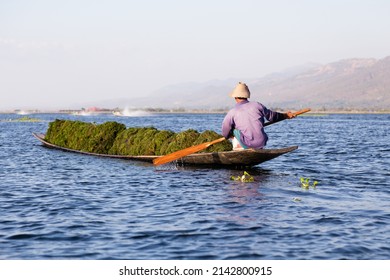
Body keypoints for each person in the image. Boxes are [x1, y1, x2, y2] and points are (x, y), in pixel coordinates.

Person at [222, 82, 295, 150]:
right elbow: (272, 116)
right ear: (246, 96)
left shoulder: (232, 112)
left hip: (247, 144)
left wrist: (228, 136)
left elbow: (225, 131)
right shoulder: (257, 105)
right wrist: (285, 115)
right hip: (262, 142)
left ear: (235, 97)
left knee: (234, 130)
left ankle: (238, 148)